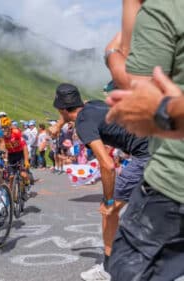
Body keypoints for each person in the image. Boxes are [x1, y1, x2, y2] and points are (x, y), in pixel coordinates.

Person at [102, 1, 184, 279]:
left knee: (127, 268)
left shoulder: (165, 8)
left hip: (174, 185)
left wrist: (113, 56)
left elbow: (138, 94)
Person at [51, 83, 150, 281]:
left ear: (61, 108)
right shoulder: (92, 105)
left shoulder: (83, 123)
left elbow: (107, 165)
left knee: (109, 212)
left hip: (145, 155)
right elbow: (71, 109)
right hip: (161, 144)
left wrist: (108, 199)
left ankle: (108, 268)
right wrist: (59, 125)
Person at [0, 116, 30, 197]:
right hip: (11, 155)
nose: (3, 130)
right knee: (11, 177)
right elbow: (3, 148)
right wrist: (4, 159)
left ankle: (27, 186)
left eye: (5, 127)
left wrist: (26, 160)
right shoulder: (1, 136)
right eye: (2, 127)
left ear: (9, 127)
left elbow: (24, 147)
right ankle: (9, 196)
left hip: (20, 154)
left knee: (23, 174)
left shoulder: (16, 132)